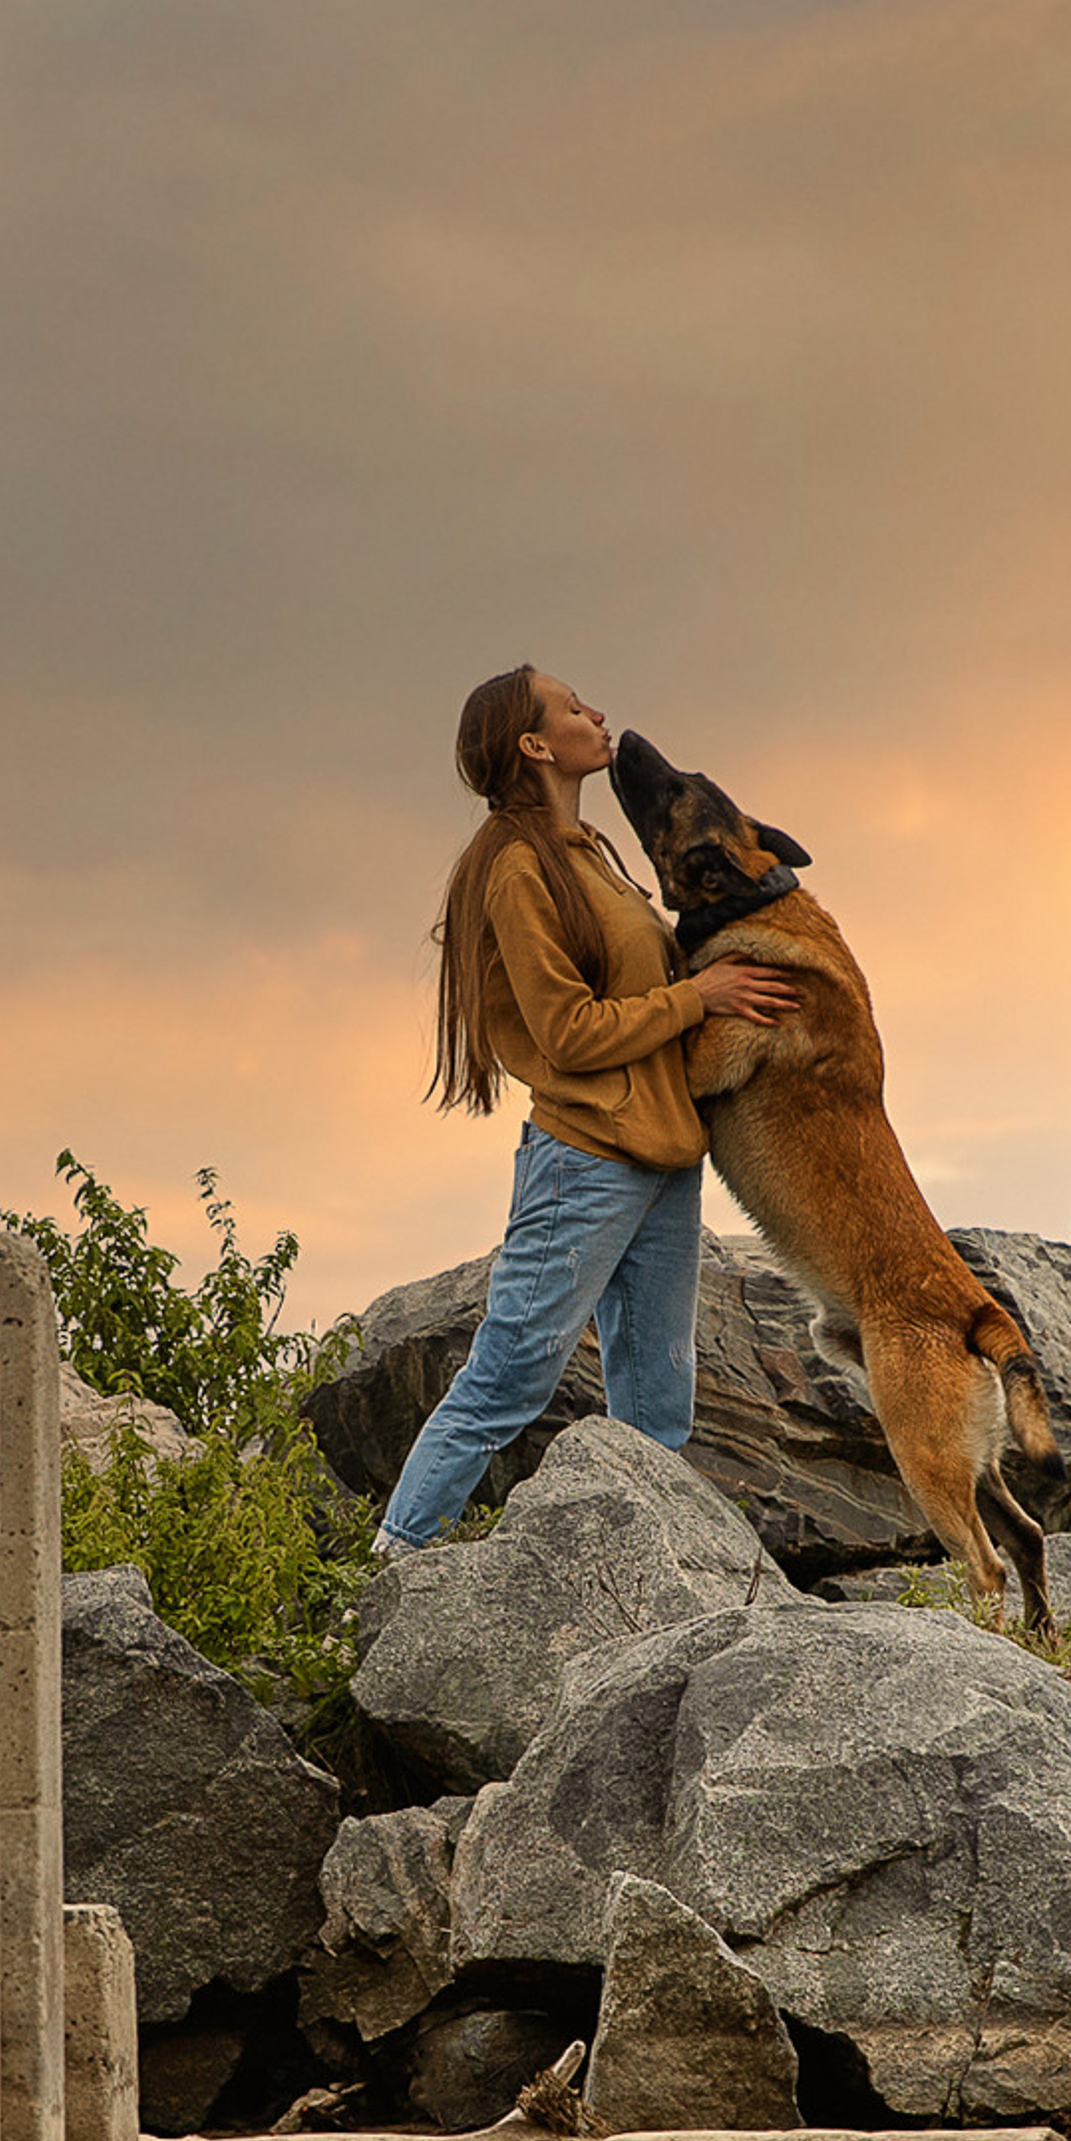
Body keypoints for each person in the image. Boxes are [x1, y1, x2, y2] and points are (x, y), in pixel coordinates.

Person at [375, 663, 798, 1552]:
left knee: (659, 1412)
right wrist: (701, 998)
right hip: (586, 1163)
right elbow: (566, 1034)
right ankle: (391, 1570)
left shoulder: (592, 854)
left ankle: (648, 1595)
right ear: (535, 746)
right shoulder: (517, 870)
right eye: (572, 708)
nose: (595, 713)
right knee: (507, 1382)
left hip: (664, 1162)